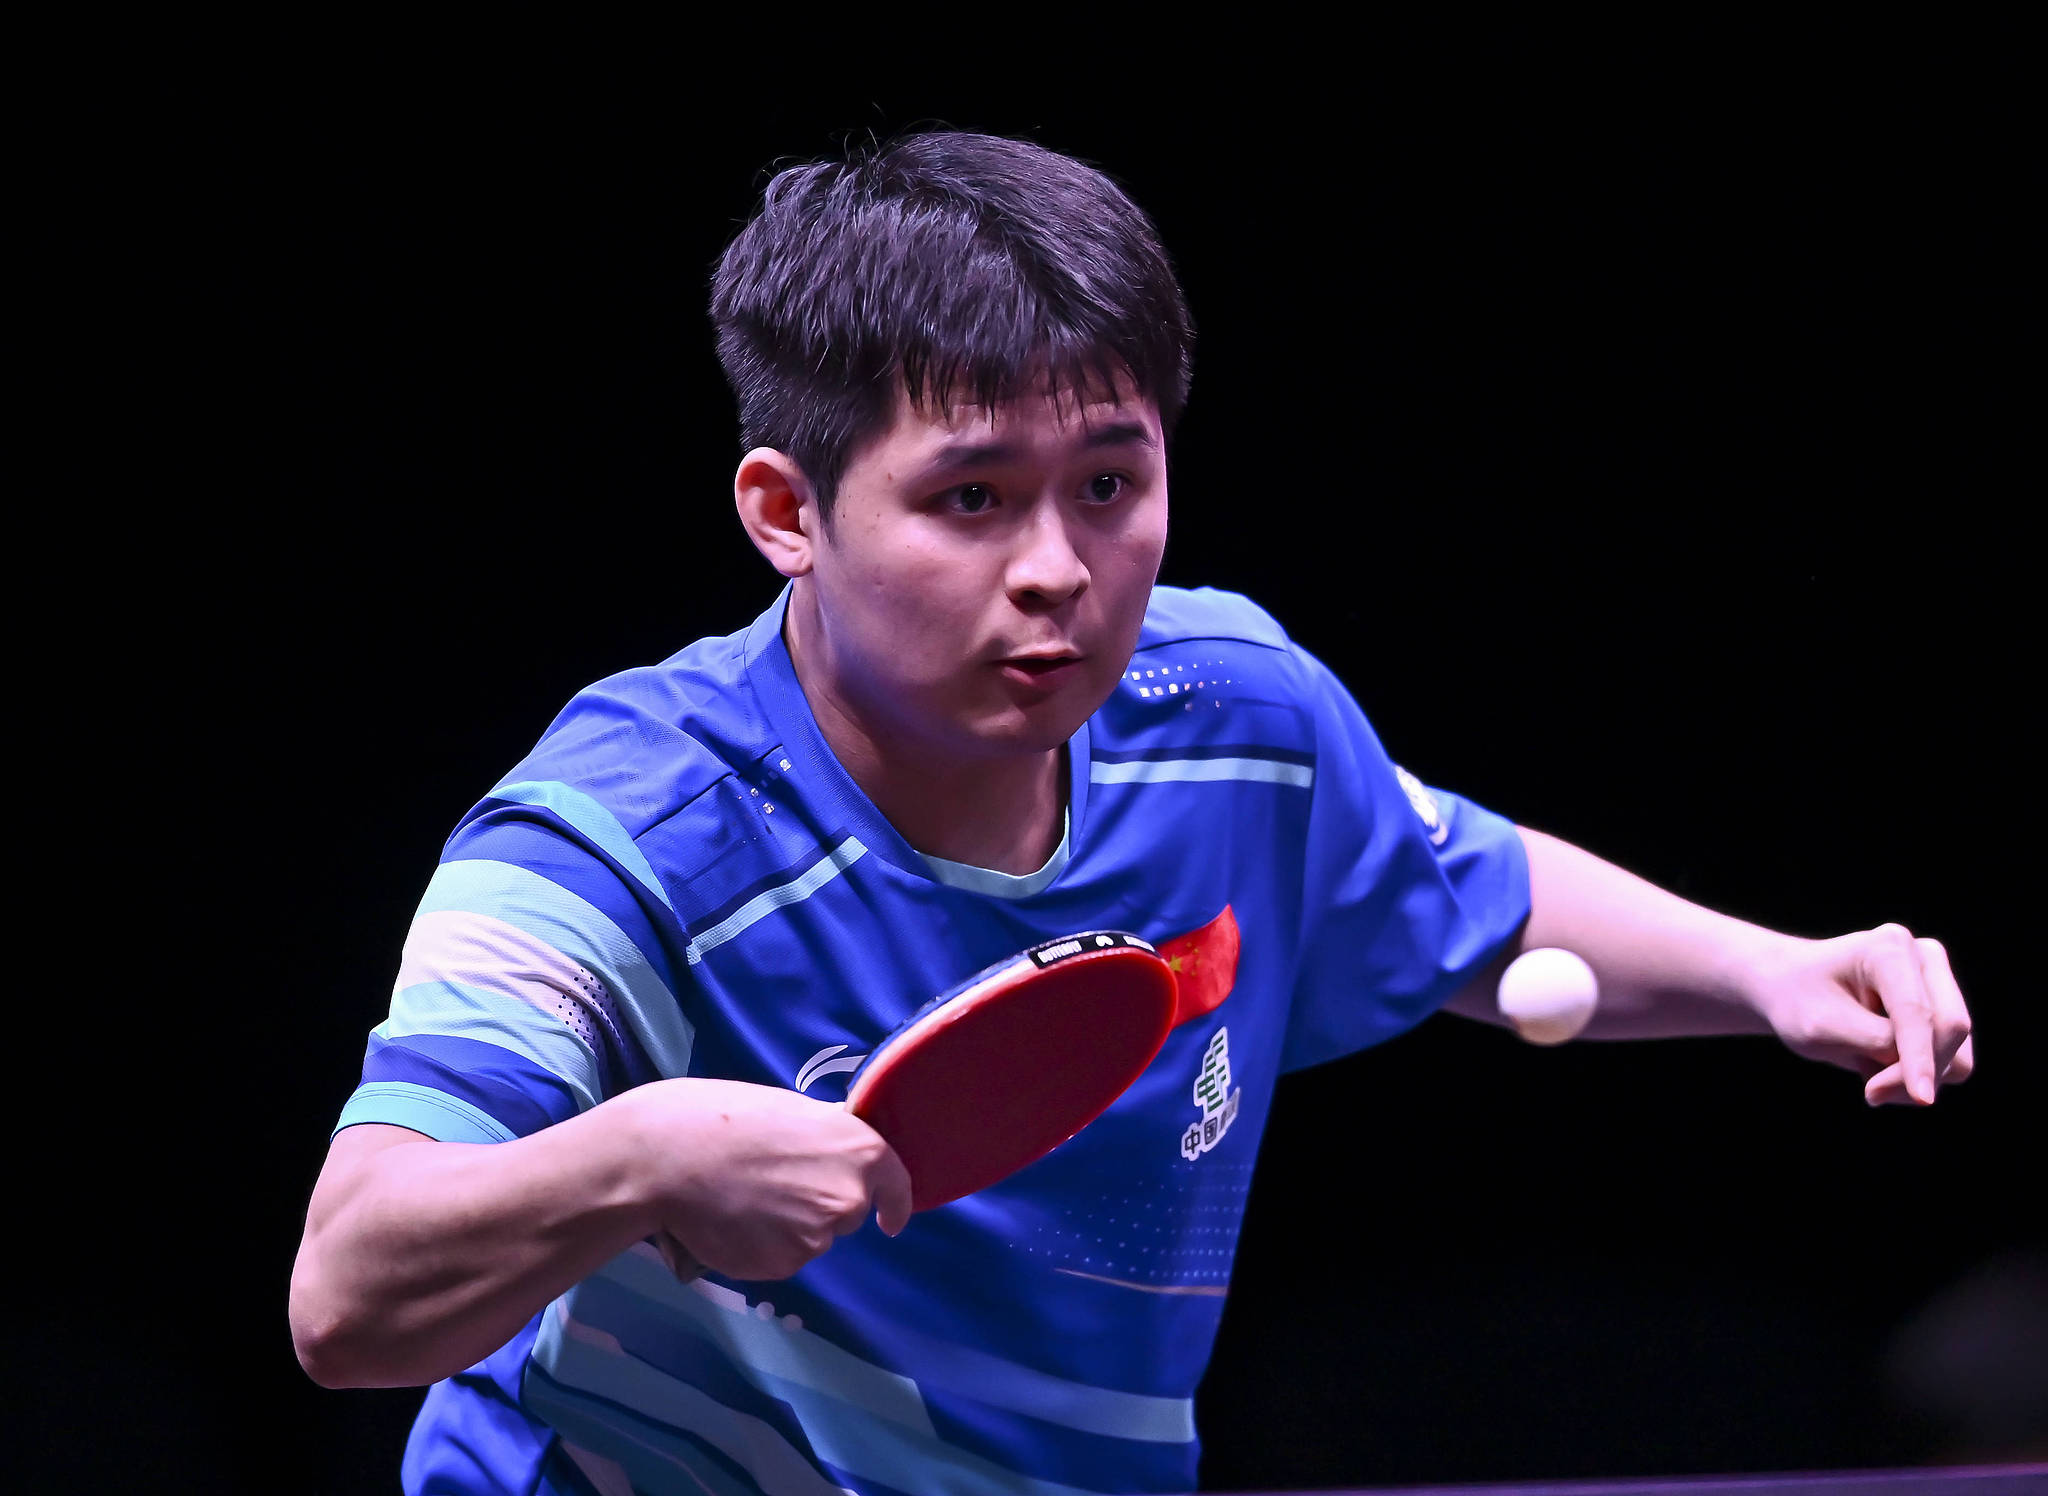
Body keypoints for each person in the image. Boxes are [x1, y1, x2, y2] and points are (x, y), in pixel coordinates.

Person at [288, 130, 1974, 1496]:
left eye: (1109, 483)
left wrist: (1774, 971)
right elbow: (350, 1290)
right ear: (786, 511)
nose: (1057, 571)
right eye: (970, 498)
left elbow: (1462, 885)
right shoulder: (623, 834)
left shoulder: (1230, 722)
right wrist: (640, 1155)